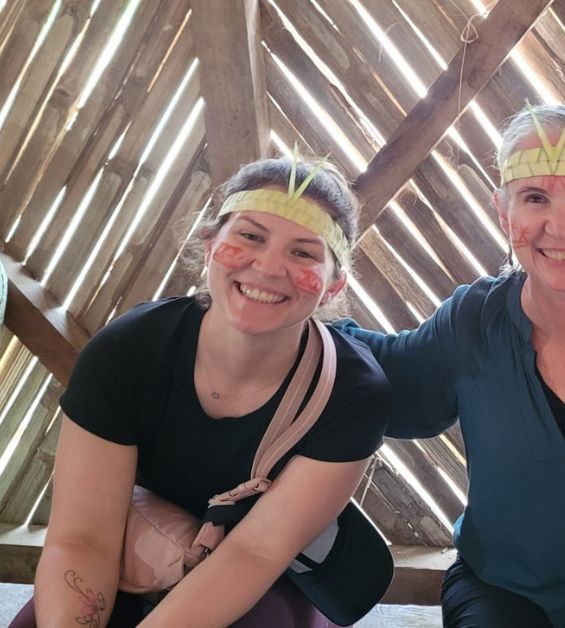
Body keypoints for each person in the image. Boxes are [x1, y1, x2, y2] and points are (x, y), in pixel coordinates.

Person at [337, 104, 565, 628]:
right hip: (499, 588)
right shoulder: (473, 319)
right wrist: (286, 317)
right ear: (503, 211)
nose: (559, 225)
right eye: (535, 198)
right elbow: (383, 377)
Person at [18, 157, 392, 626]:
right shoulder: (127, 350)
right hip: (136, 545)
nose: (269, 266)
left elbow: (256, 553)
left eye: (303, 253)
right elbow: (83, 539)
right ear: (209, 242)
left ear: (335, 282)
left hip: (263, 575)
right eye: (250, 236)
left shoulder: (353, 393)